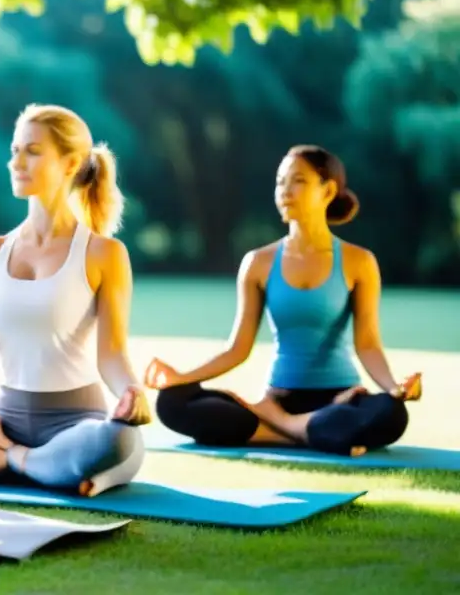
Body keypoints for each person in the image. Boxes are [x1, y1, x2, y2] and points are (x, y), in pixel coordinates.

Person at [0, 104, 149, 498]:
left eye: (32, 151)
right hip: (4, 419)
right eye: (14, 150)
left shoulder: (103, 254)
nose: (16, 162)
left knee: (118, 443)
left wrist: (132, 392)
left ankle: (9, 458)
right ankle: (38, 464)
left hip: (77, 425)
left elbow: (112, 353)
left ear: (71, 164)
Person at [145, 145, 421, 457]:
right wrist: (182, 378)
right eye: (280, 182)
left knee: (392, 413)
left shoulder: (359, 262)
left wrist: (393, 388)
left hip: (341, 400)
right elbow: (237, 349)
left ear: (328, 190)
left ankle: (281, 428)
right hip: (278, 398)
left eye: (298, 181)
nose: (284, 191)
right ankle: (309, 432)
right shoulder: (258, 263)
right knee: (172, 402)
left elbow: (368, 344)